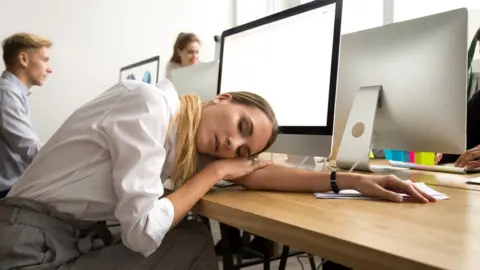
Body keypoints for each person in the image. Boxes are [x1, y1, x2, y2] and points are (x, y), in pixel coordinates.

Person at [0, 79, 435, 269]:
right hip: (28, 250)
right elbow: (141, 234)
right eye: (240, 127)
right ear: (223, 97)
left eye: (243, 147)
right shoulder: (151, 106)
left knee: (188, 234)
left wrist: (353, 181)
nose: (232, 144)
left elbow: (255, 174)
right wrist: (216, 173)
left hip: (45, 239)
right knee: (187, 241)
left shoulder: (178, 136)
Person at [0, 32, 52, 198]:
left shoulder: (12, 93)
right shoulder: (6, 93)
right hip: (6, 194)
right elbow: (30, 149)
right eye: (44, 60)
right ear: (23, 59)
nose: (49, 69)